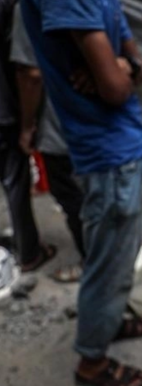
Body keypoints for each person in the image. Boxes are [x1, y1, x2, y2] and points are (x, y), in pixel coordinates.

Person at [21, 0, 142, 386]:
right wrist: (121, 71)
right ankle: (92, 362)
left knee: (118, 255)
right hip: (107, 153)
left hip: (120, 148)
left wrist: (125, 66)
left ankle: (107, 324)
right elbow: (115, 90)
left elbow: (139, 66)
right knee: (108, 262)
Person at [10, 2, 85, 282]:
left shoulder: (29, 7)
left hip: (58, 124)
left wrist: (27, 125)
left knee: (74, 199)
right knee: (96, 195)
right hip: (94, 121)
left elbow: (30, 74)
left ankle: (92, 262)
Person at [0, 0, 56, 272]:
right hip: (5, 114)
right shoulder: (11, 9)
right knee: (15, 184)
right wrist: (27, 124)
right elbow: (27, 70)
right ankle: (29, 253)